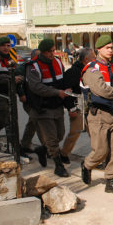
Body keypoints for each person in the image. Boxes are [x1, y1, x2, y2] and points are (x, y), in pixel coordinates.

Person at [80, 35, 113, 195]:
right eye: (107, 47)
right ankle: (87, 165)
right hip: (98, 114)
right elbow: (100, 89)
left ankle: (111, 181)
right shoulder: (92, 68)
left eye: (112, 47)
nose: (111, 50)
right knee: (100, 151)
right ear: (98, 49)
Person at [26, 38, 71, 177]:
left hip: (57, 106)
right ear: (42, 52)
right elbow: (36, 87)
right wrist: (56, 92)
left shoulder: (57, 61)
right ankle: (59, 166)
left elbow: (62, 79)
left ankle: (42, 150)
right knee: (51, 139)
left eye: (53, 51)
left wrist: (67, 88)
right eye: (48, 52)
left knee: (60, 134)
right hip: (42, 108)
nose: (52, 54)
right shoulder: (33, 66)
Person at [60, 48, 96, 163]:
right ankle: (64, 153)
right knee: (74, 132)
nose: (95, 60)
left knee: (95, 134)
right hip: (78, 106)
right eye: (93, 58)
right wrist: (71, 108)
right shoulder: (73, 72)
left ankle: (98, 158)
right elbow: (67, 92)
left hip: (90, 106)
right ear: (86, 59)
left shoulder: (91, 70)